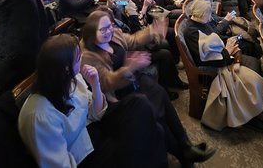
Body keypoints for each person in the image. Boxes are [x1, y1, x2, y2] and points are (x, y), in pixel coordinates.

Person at [80, 11, 215, 166]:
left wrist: (151, 31)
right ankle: (182, 151)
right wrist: (129, 68)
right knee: (154, 112)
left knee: (160, 93)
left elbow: (133, 40)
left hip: (131, 80)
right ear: (91, 33)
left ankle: (185, 144)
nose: (108, 31)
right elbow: (107, 83)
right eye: (102, 29)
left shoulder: (114, 34)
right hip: (114, 96)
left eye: (109, 25)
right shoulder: (87, 55)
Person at [18, 34, 170, 168]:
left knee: (140, 103)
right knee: (155, 132)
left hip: (94, 128)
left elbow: (96, 114)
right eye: (78, 58)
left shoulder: (72, 78)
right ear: (65, 68)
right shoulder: (39, 116)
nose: (82, 59)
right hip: (83, 154)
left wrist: (95, 84)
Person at [183, 0, 263, 132]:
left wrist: (229, 42)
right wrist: (227, 51)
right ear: (202, 15)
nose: (211, 17)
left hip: (222, 57)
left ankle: (257, 102)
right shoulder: (192, 32)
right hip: (214, 67)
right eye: (209, 15)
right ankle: (251, 117)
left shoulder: (201, 22)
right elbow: (206, 59)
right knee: (244, 79)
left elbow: (213, 37)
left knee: (251, 59)